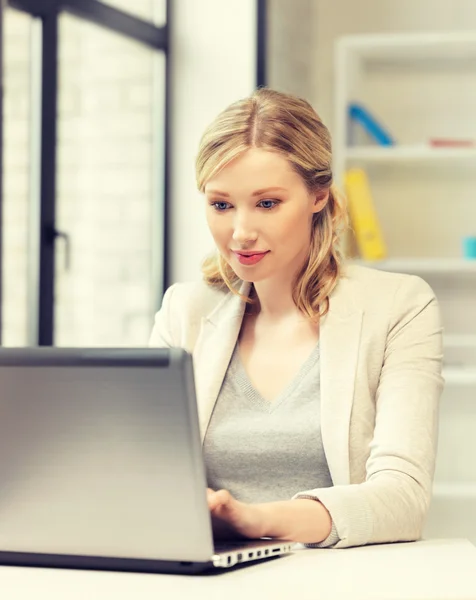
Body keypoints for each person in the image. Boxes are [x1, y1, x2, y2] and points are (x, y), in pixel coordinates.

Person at [149, 88, 444, 549]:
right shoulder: (183, 312)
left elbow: (402, 499)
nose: (241, 232)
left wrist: (254, 519)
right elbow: (148, 474)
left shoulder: (400, 306)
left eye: (267, 203)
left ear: (318, 195)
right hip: (206, 577)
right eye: (221, 204)